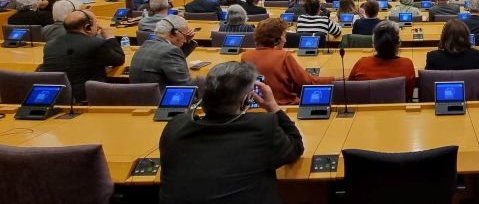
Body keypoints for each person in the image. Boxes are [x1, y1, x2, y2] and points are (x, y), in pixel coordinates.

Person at [159, 61, 303, 203]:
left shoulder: (175, 126)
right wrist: (273, 107)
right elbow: (296, 147)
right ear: (245, 100)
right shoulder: (262, 126)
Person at [242, 19, 335, 104]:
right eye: (284, 36)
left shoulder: (245, 56)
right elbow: (307, 82)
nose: (285, 40)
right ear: (276, 40)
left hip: (256, 106)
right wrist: (335, 79)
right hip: (284, 106)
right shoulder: (283, 56)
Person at [40, 10, 125, 102]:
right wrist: (109, 37)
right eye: (96, 24)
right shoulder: (95, 44)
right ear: (87, 27)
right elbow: (119, 59)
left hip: (56, 98)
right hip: (87, 98)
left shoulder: (49, 45)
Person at [348, 20, 415, 100]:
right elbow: (408, 95)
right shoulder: (407, 64)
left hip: (365, 111)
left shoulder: (362, 64)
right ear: (398, 44)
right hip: (397, 110)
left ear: (373, 44)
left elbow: (350, 89)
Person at [129, 16, 198, 87]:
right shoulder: (170, 52)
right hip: (159, 97)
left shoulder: (145, 45)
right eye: (184, 35)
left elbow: (174, 61)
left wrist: (187, 42)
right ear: (172, 33)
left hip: (139, 96)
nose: (184, 40)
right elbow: (185, 86)